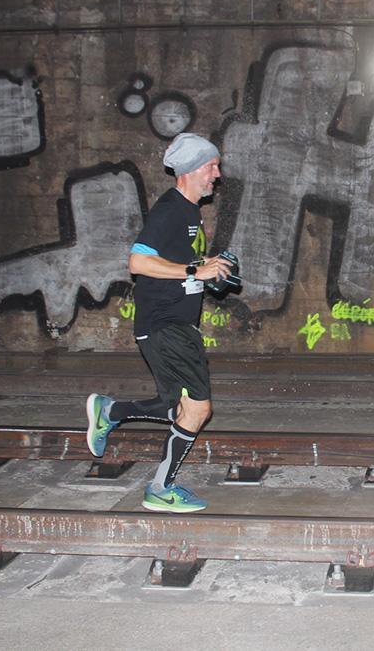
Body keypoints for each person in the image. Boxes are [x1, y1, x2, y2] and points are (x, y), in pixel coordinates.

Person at [85, 132, 233, 513]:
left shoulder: (189, 212)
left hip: (170, 323)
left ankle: (110, 412)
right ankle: (160, 488)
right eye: (211, 166)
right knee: (198, 410)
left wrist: (210, 269)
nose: (217, 174)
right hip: (167, 324)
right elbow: (138, 262)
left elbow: (179, 267)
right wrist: (193, 270)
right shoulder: (171, 210)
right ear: (190, 170)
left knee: (176, 405)